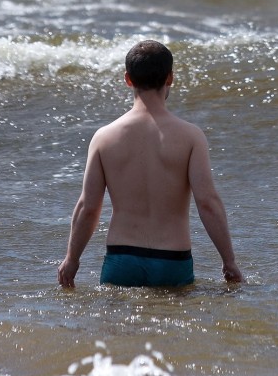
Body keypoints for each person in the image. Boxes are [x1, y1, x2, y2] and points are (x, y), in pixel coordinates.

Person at [57, 40, 243, 288]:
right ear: (170, 78)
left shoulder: (104, 137)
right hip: (172, 261)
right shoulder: (190, 136)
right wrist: (228, 261)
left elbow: (88, 207)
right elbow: (207, 202)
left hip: (121, 260)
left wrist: (72, 259)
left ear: (128, 79)